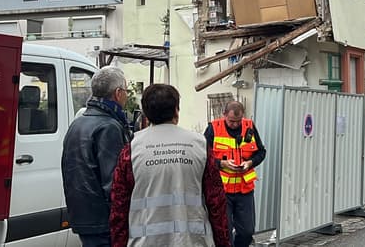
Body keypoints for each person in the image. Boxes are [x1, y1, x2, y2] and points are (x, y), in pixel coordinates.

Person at [110, 84, 230, 247]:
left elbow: (119, 208)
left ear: (145, 113)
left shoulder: (131, 150)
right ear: (176, 111)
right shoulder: (199, 146)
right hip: (193, 242)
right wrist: (223, 242)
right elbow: (216, 202)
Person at [62, 66, 132, 247]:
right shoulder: (109, 127)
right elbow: (115, 182)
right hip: (103, 220)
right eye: (126, 91)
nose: (127, 96)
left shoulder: (77, 124)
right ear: (118, 93)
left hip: (82, 215)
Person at [204, 101, 266, 247]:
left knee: (247, 232)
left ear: (242, 117)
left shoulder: (249, 127)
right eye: (231, 121)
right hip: (222, 191)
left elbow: (261, 152)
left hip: (244, 190)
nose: (235, 125)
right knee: (224, 233)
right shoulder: (213, 128)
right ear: (224, 115)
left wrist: (249, 163)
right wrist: (221, 164)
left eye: (238, 121)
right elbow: (203, 156)